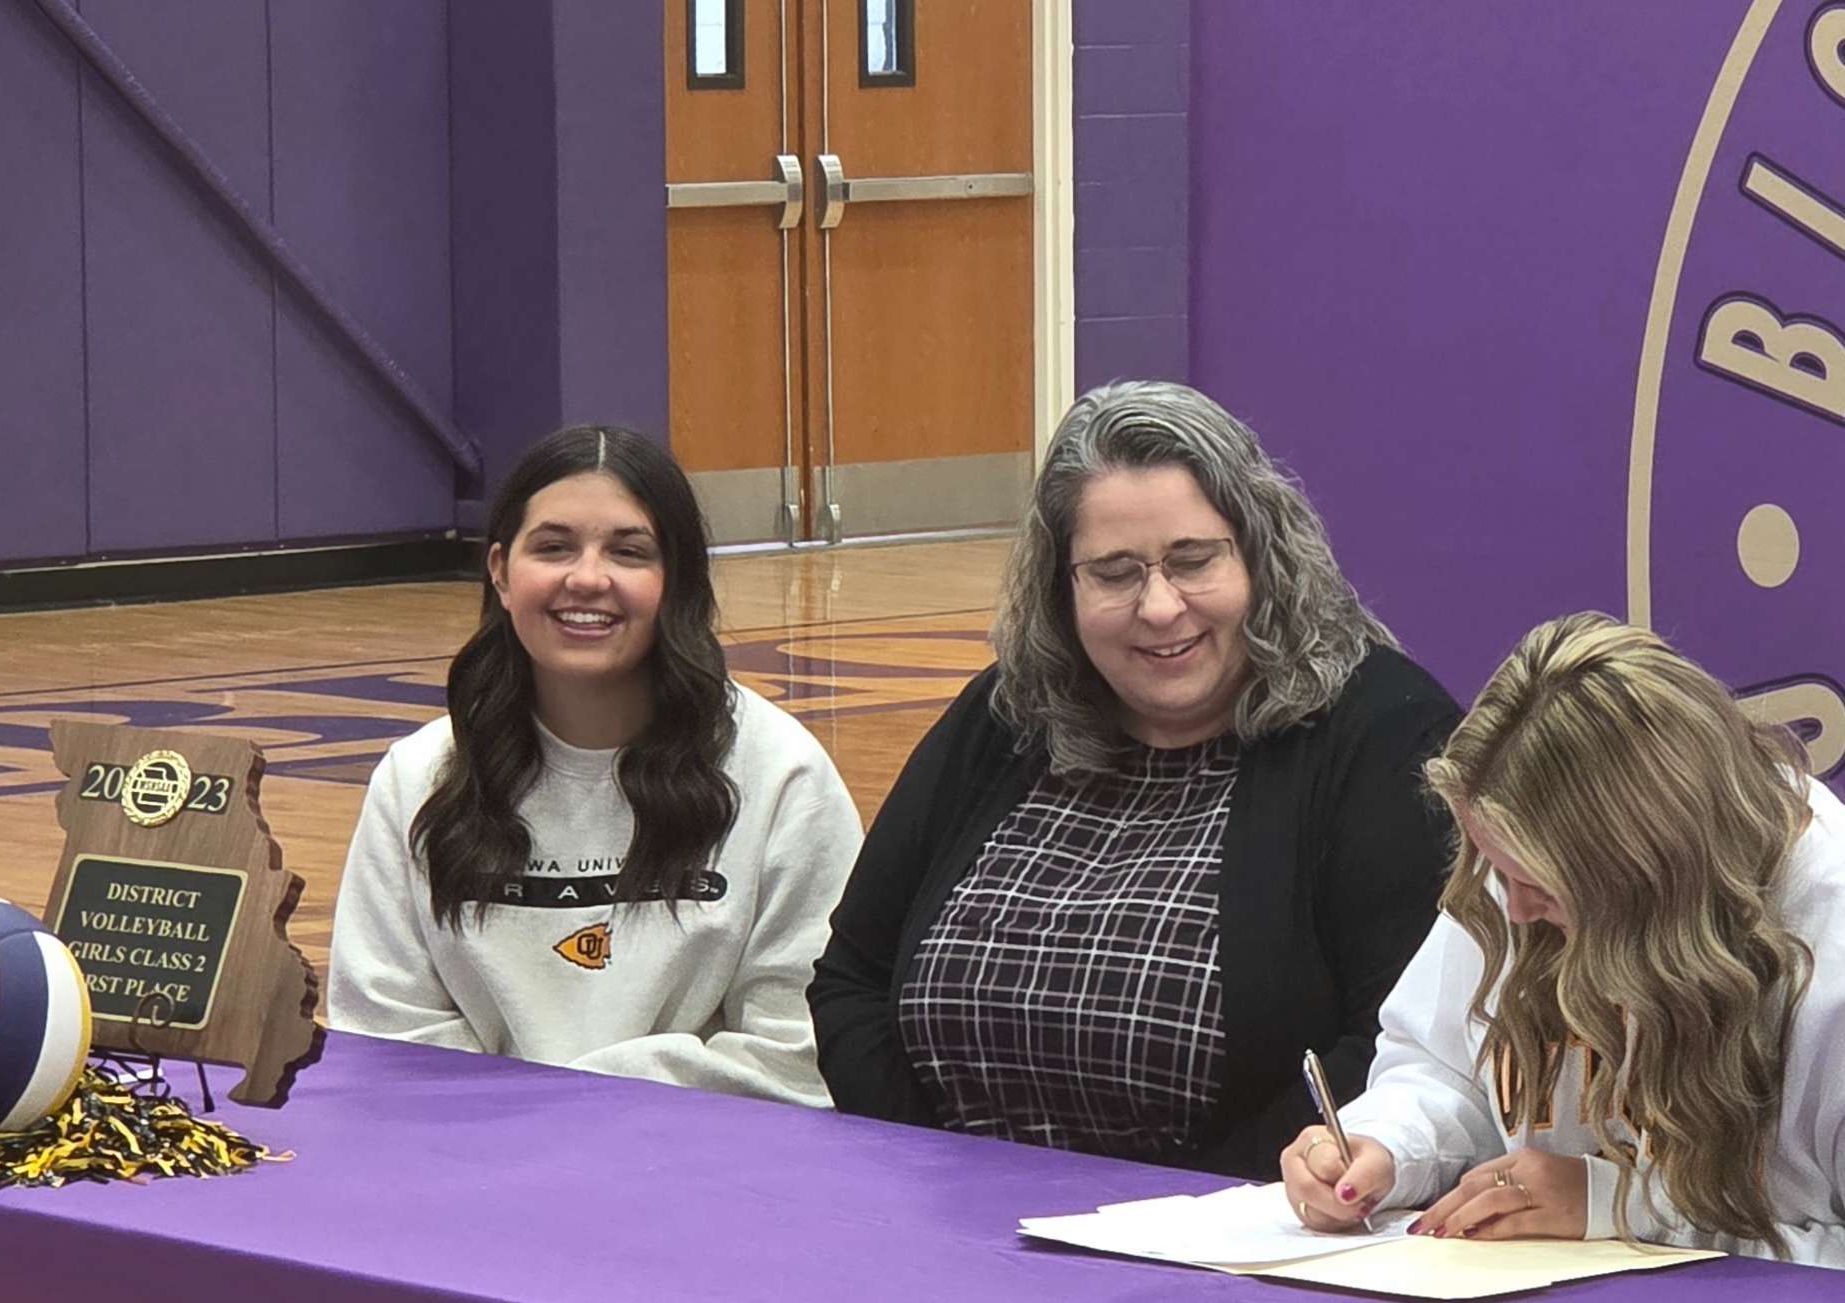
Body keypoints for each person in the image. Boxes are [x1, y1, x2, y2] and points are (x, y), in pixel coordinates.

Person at [1278, 615, 1845, 1288]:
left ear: (1651, 872)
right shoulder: (1536, 864)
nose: (1512, 909)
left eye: (1538, 888)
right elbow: (1447, 1064)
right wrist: (1387, 1145)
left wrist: (1622, 1214)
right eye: (1498, 872)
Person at [810, 382, 1459, 1175]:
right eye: (1114, 572)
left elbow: (1401, 1045)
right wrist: (943, 1181)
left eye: (1193, 561)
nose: (1158, 607)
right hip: (954, 1232)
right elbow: (853, 980)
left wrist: (1174, 1214)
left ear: (1261, 555)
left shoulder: (1382, 730)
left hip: (1230, 1244)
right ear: (1063, 587)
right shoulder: (1008, 715)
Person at [331, 422, 861, 1101]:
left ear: (677, 580)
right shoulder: (418, 778)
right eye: (553, 547)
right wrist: (526, 1128)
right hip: (475, 1172)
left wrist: (582, 1104)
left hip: (704, 1172)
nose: (587, 578)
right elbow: (382, 1032)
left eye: (629, 551)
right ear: (500, 571)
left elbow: (797, 1046)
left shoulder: (782, 774)